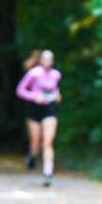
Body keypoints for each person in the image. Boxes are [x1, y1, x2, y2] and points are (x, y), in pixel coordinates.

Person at [15, 49, 62, 187]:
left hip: (49, 108)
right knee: (35, 142)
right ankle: (32, 155)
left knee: (48, 142)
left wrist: (57, 95)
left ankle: (48, 173)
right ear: (41, 60)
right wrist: (34, 97)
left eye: (50, 59)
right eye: (45, 59)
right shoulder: (33, 73)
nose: (48, 61)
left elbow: (55, 89)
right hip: (34, 109)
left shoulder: (56, 74)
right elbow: (20, 90)